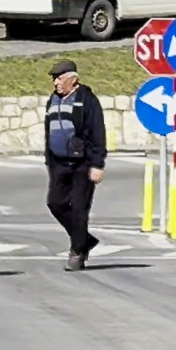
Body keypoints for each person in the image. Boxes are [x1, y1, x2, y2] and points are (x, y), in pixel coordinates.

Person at [43, 59, 107, 271]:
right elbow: (48, 131)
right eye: (54, 79)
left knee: (79, 209)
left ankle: (78, 251)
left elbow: (98, 131)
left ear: (73, 79)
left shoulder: (87, 99)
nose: (56, 83)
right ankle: (85, 239)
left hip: (83, 163)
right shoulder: (52, 100)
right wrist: (49, 161)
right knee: (55, 203)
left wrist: (97, 163)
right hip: (59, 163)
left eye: (60, 78)